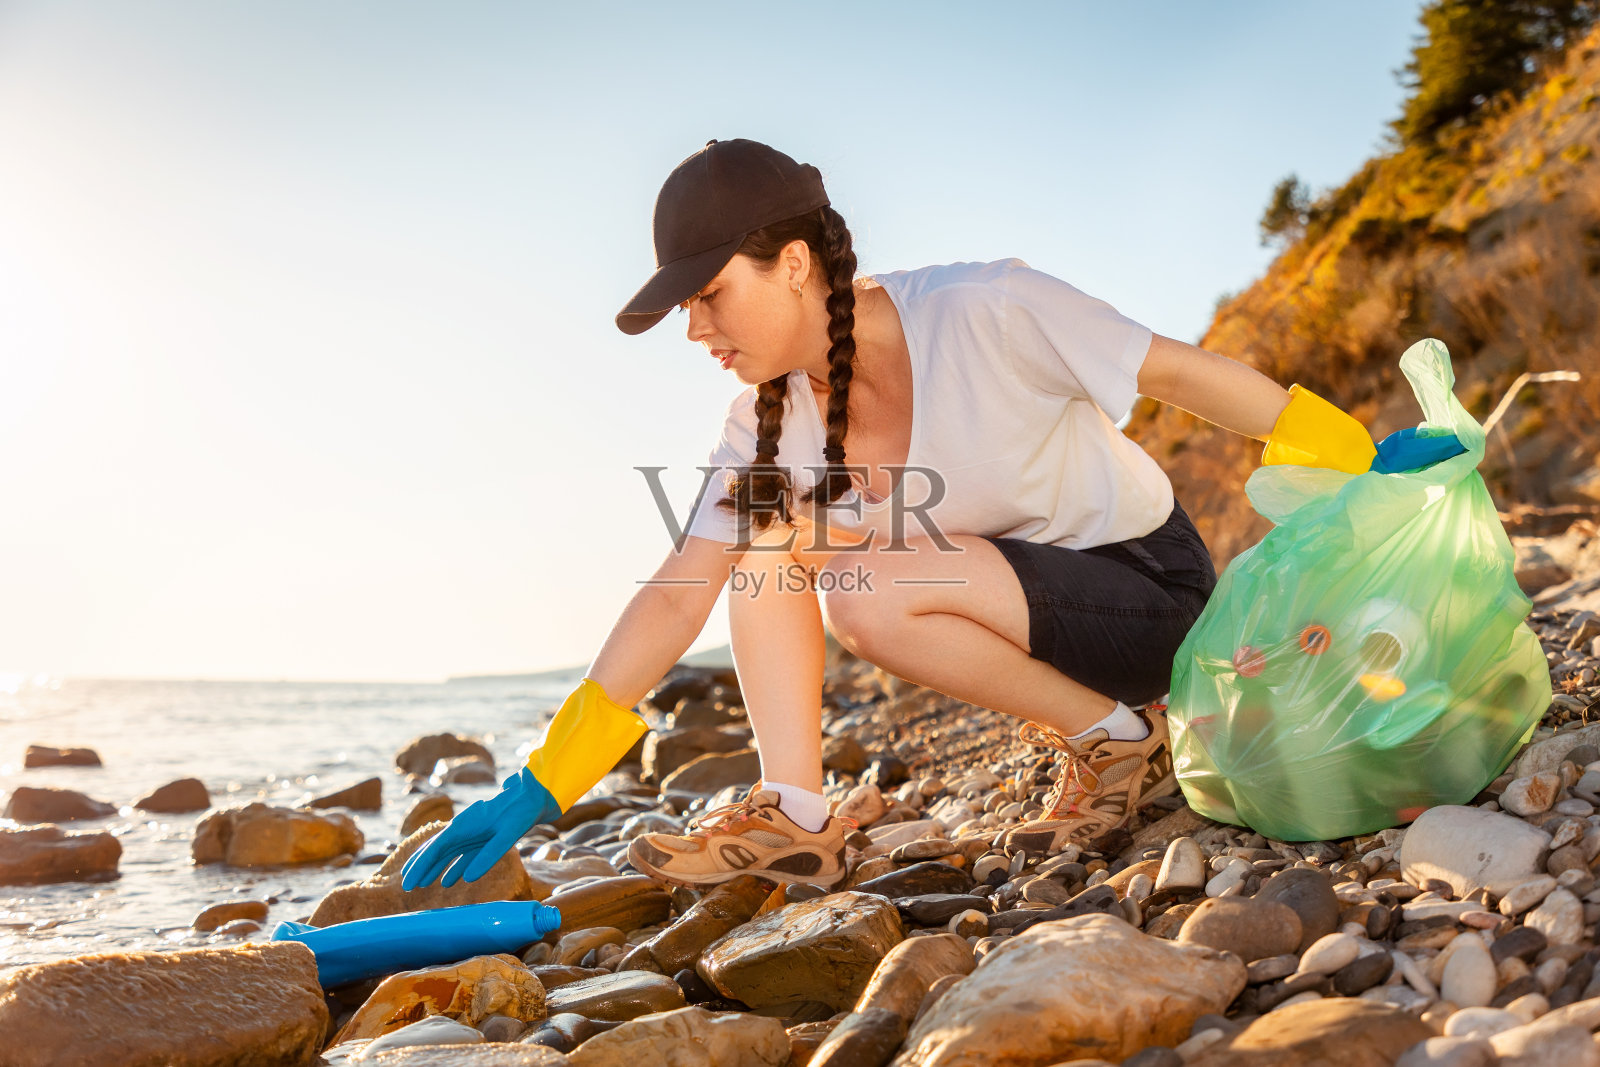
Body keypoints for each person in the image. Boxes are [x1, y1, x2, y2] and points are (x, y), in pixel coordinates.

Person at [401, 137, 1399, 895]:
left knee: (858, 583)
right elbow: (676, 596)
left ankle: (1113, 737)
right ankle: (797, 809)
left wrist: (1352, 453)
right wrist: (543, 779)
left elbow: (1177, 372)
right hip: (1019, 615)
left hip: (1150, 596)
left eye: (707, 296)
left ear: (792, 263)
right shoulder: (764, 418)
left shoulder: (984, 309)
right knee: (766, 548)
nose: (694, 329)